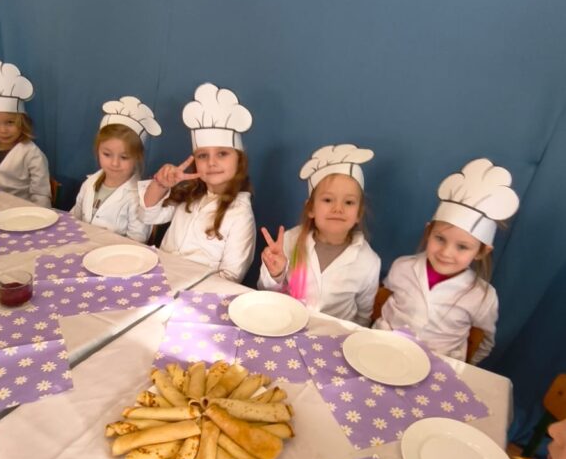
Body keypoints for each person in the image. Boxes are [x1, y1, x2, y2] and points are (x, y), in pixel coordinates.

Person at [375, 158, 520, 362]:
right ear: (428, 232)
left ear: (481, 251)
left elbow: (483, 342)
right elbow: (382, 301)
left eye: (462, 247)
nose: (446, 252)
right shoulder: (402, 267)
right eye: (440, 239)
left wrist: (461, 368)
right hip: (382, 349)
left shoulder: (483, 297)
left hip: (437, 365)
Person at [139, 82, 256, 281]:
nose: (211, 162)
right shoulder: (189, 195)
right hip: (159, 276)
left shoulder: (240, 214)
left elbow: (231, 277)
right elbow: (148, 214)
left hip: (196, 291)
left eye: (222, 153)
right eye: (202, 156)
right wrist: (160, 184)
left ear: (239, 160)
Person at [258, 144, 380, 325]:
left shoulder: (368, 262)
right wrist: (275, 274)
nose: (338, 208)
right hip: (287, 326)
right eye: (328, 200)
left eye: (348, 202)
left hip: (336, 337)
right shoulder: (290, 241)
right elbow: (265, 293)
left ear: (358, 214)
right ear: (311, 209)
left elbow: (363, 316)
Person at [71, 96, 161, 242]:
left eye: (124, 157)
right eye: (107, 154)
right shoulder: (89, 183)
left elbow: (137, 241)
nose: (114, 163)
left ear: (137, 157)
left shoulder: (138, 198)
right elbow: (74, 218)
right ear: (98, 151)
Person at [0, 57, 51, 207]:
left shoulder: (31, 153)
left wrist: (38, 215)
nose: (3, 130)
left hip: (20, 212)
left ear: (22, 123)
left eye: (10, 122)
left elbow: (41, 193)